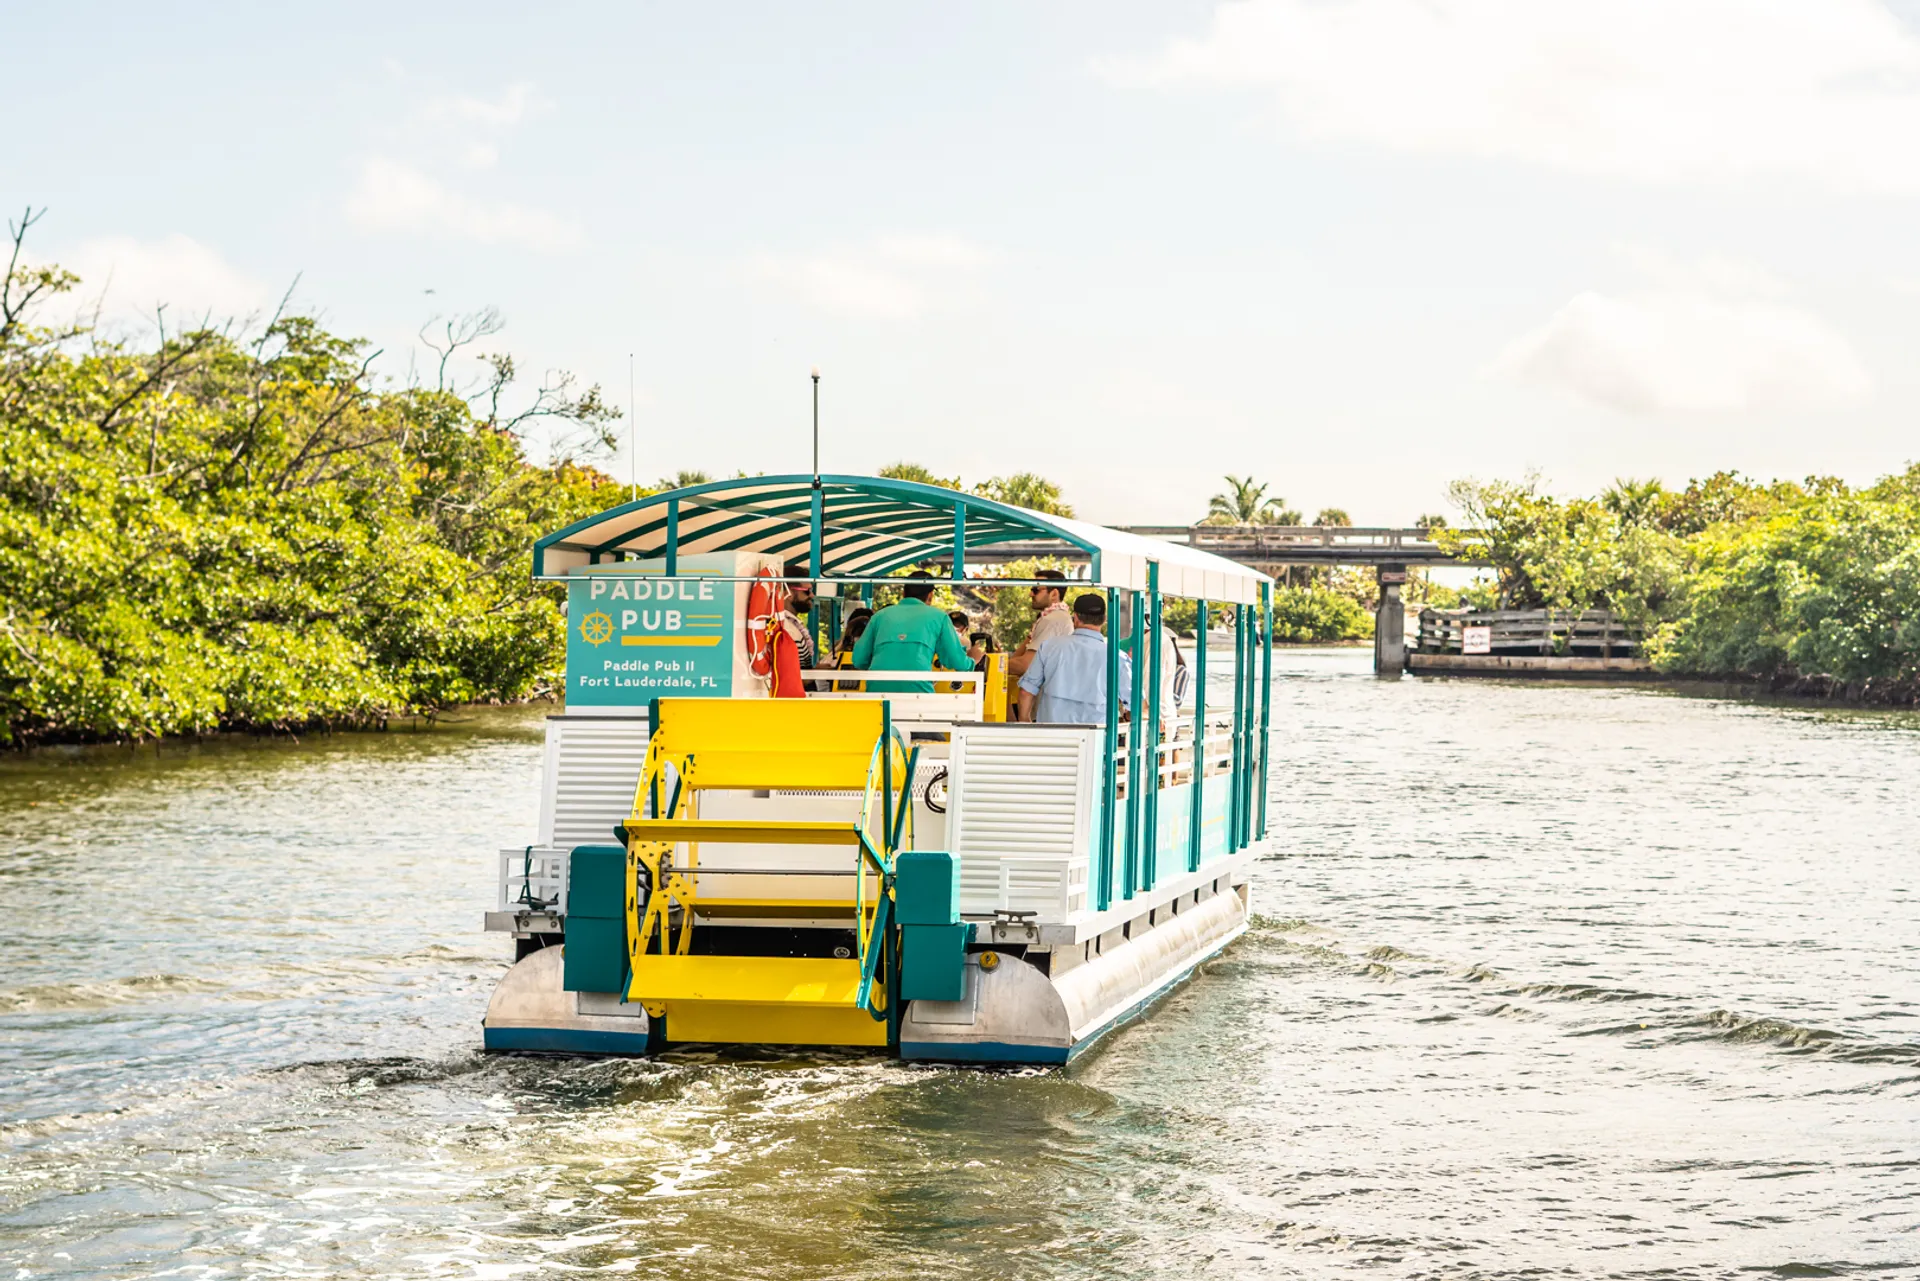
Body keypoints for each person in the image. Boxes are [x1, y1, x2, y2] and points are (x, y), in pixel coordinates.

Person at [851, 571, 977, 693]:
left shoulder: (879, 616)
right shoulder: (939, 617)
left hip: (877, 690)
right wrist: (972, 662)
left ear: (903, 593)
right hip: (917, 691)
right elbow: (956, 661)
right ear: (930, 595)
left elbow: (858, 659)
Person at [1017, 592, 1132, 725]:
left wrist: (1025, 720)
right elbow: (1136, 702)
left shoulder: (1049, 647)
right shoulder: (1117, 657)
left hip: (1052, 735)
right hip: (1096, 739)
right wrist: (1128, 716)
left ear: (1075, 618)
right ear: (1104, 619)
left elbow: (1026, 691)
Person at [1008, 569, 1072, 686]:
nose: (1030, 594)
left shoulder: (1052, 620)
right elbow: (1019, 656)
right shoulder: (1059, 617)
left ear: (1054, 594)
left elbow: (1026, 665)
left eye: (1035, 590)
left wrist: (991, 665)